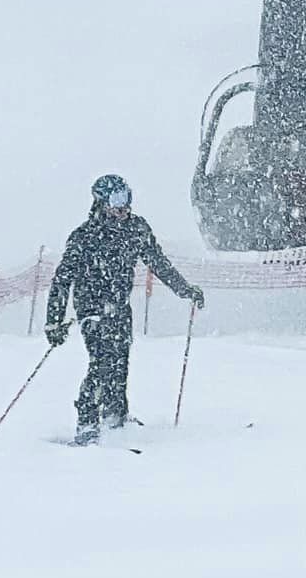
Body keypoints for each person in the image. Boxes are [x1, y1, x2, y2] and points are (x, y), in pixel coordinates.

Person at [45, 175, 204, 445]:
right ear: (101, 202)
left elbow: (158, 262)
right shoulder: (85, 236)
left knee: (120, 362)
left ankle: (115, 416)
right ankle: (87, 422)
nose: (124, 207)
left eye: (127, 198)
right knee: (102, 361)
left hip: (119, 307)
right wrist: (54, 321)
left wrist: (185, 289)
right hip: (92, 308)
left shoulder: (136, 229)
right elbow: (62, 279)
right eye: (117, 200)